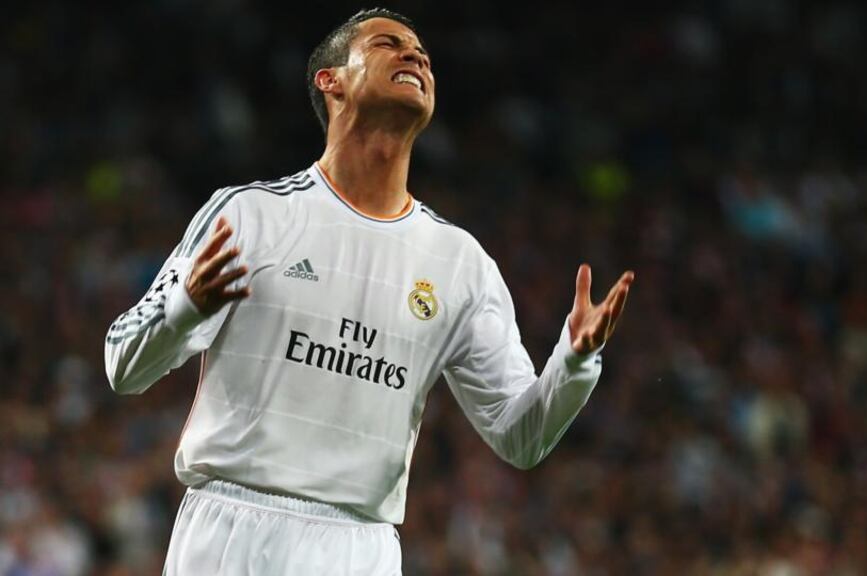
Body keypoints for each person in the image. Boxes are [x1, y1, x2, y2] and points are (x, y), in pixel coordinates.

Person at [104, 8, 634, 575]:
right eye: (389, 44)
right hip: (230, 531)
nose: (416, 57)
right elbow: (122, 362)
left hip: (360, 547)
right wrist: (185, 308)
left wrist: (575, 362)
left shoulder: (461, 265)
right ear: (330, 80)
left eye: (423, 54)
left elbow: (520, 435)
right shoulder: (252, 215)